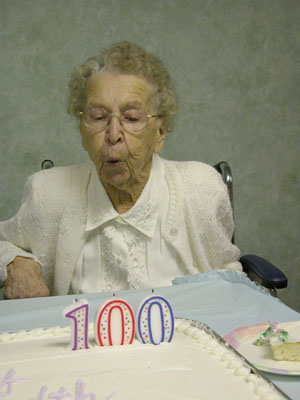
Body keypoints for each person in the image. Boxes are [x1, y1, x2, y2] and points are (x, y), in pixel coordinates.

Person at [0, 41, 242, 299]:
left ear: (159, 133)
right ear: (82, 131)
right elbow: (4, 243)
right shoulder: (48, 192)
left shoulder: (200, 188)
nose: (113, 134)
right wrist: (16, 261)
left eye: (131, 118)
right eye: (98, 117)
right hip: (84, 338)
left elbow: (229, 275)